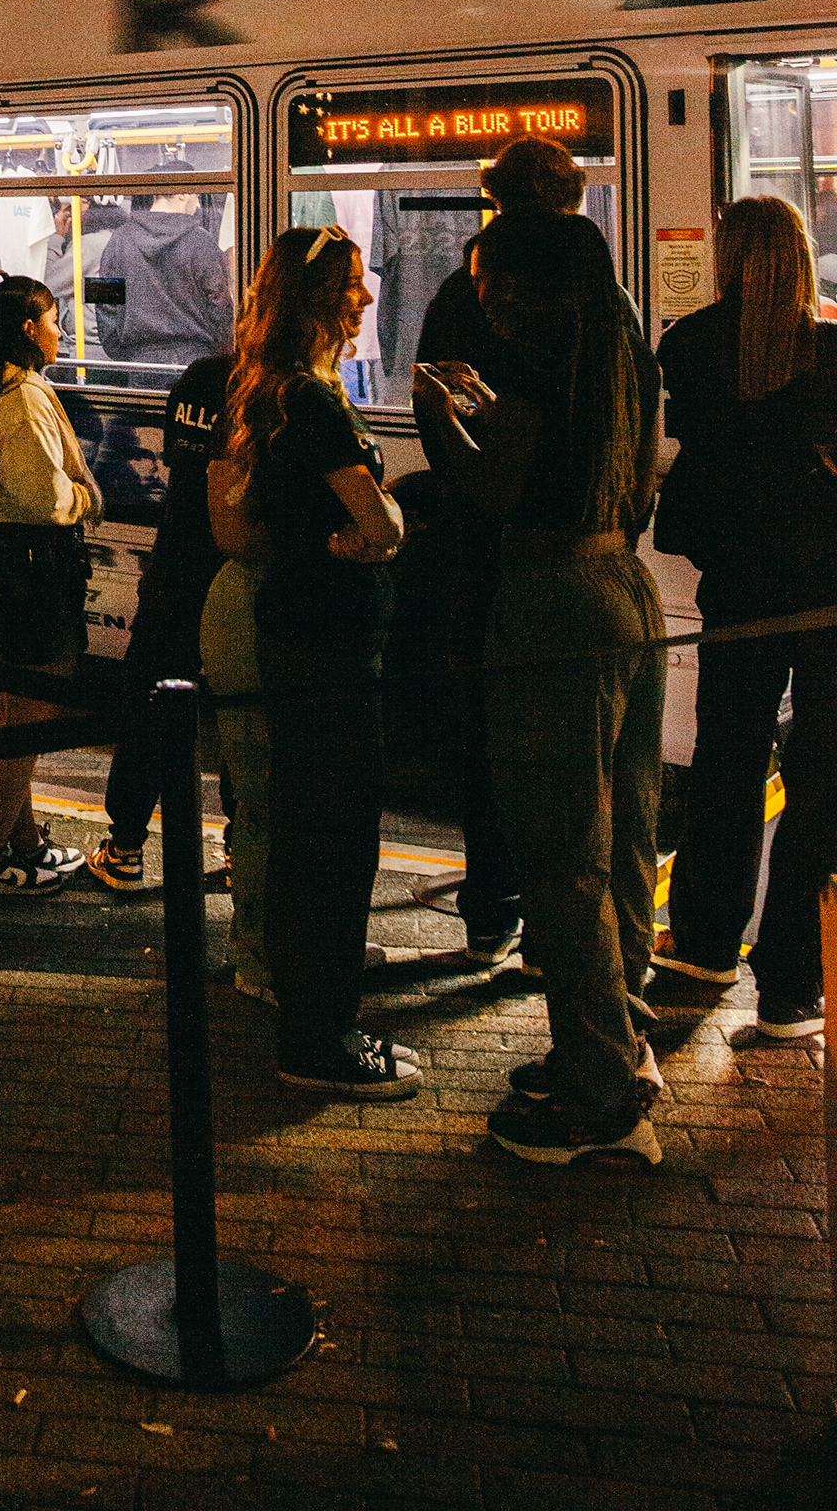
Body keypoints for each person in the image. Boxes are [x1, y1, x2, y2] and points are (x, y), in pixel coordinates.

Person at [415, 208, 664, 1165]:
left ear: (522, 287)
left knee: (563, 857)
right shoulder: (622, 357)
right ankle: (621, 1042)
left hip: (552, 602)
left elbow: (492, 490)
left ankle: (597, 1098)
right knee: (628, 838)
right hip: (625, 588)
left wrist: (442, 416)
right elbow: (639, 492)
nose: (485, 298)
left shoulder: (526, 366)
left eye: (491, 280)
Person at [218, 226, 417, 1098]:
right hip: (334, 649)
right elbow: (381, 525)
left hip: (291, 632)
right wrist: (380, 533)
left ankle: (311, 1021)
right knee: (338, 845)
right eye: (352, 288)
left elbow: (252, 522)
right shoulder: (320, 403)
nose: (365, 301)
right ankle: (324, 1039)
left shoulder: (262, 391)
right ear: (318, 303)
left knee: (303, 835)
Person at [648, 198, 837, 1040]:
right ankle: (793, 984)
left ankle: (702, 946)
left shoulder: (686, 346)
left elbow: (695, 449)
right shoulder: (829, 348)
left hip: (734, 590)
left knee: (726, 762)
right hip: (826, 596)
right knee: (818, 783)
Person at [412, 134, 593, 967]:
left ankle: (493, 907)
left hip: (477, 539)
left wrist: (457, 471)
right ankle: (553, 929)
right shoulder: (590, 298)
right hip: (561, 543)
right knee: (568, 754)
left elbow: (432, 401)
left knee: (489, 731)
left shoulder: (457, 291)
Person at [0, 274, 95, 892]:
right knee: (23, 719)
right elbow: (48, 499)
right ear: (28, 330)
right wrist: (85, 495)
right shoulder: (23, 398)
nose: (63, 331)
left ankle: (25, 842)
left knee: (9, 710)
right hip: (33, 564)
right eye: (55, 319)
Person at [88, 346, 233, 900]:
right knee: (242, 715)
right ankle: (242, 848)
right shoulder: (284, 391)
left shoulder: (202, 378)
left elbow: (179, 465)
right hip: (237, 571)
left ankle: (124, 848)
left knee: (147, 702)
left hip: (177, 563)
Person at [95, 194, 233, 377]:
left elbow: (102, 303)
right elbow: (221, 307)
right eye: (196, 196)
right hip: (196, 364)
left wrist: (124, 356)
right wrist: (216, 355)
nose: (199, 204)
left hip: (139, 365)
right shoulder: (202, 242)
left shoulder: (118, 240)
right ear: (182, 195)